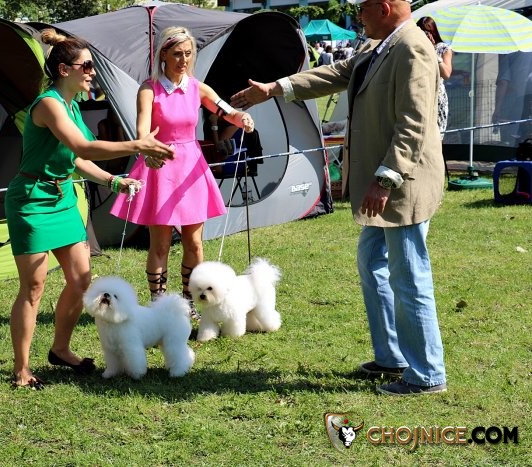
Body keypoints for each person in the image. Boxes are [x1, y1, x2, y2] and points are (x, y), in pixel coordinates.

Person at [231, 0, 447, 396]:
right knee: (372, 262)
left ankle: (427, 374)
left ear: (383, 8)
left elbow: (414, 123)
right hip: (385, 184)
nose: (358, 16)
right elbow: (336, 73)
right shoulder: (378, 46)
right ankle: (392, 357)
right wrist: (275, 88)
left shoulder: (413, 47)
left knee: (408, 277)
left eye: (362, 8)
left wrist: (386, 179)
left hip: (403, 183)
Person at [4, 28, 174, 390]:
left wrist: (114, 182)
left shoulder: (72, 106)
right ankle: (21, 370)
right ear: (64, 70)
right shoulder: (49, 104)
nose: (92, 72)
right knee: (33, 287)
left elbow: (76, 158)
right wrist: (138, 145)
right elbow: (83, 146)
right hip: (31, 200)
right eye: (87, 66)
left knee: (81, 280)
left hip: (63, 198)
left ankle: (60, 350)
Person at [109, 26, 254, 312]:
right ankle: (159, 307)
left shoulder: (198, 87)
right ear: (163, 54)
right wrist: (147, 149)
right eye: (177, 54)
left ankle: (191, 304)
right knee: (160, 245)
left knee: (195, 243)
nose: (183, 60)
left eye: (188, 53)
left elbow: (228, 112)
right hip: (159, 167)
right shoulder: (149, 89)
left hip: (191, 170)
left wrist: (243, 118)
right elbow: (142, 130)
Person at [416, 16, 453, 137]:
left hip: (437, 95)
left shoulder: (443, 48)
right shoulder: (416, 48)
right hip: (420, 92)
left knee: (437, 134)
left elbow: (446, 73)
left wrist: (431, 51)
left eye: (427, 32)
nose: (426, 35)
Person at [492, 51, 532, 146]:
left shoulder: (509, 56)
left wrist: (497, 110)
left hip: (522, 101)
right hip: (523, 100)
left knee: (517, 135)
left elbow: (503, 83)